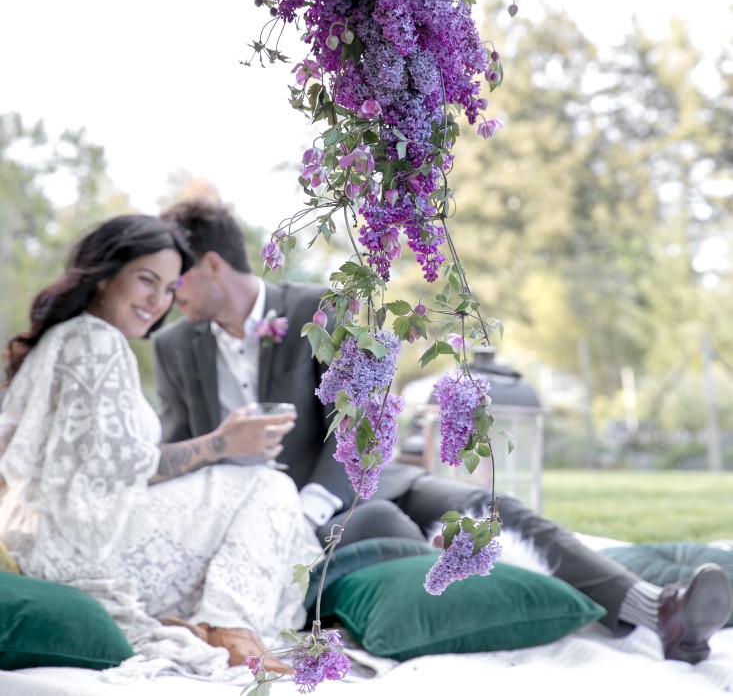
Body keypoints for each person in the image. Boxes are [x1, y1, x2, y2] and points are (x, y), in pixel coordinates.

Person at [155, 199, 732, 666]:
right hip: (280, 524)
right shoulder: (173, 346)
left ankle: (662, 610)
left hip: (359, 482)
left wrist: (311, 503)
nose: (167, 297)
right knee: (395, 531)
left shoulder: (317, 308)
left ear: (211, 265)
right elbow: (176, 450)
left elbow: (359, 424)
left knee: (495, 511)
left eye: (174, 280)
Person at [0, 215, 320, 682]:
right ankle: (231, 629)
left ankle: (220, 626)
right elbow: (122, 467)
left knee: (250, 495)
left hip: (42, 539)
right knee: (266, 486)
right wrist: (222, 442)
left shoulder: (68, 337)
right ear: (105, 275)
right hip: (80, 547)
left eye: (170, 288)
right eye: (146, 280)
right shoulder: (96, 341)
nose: (158, 301)